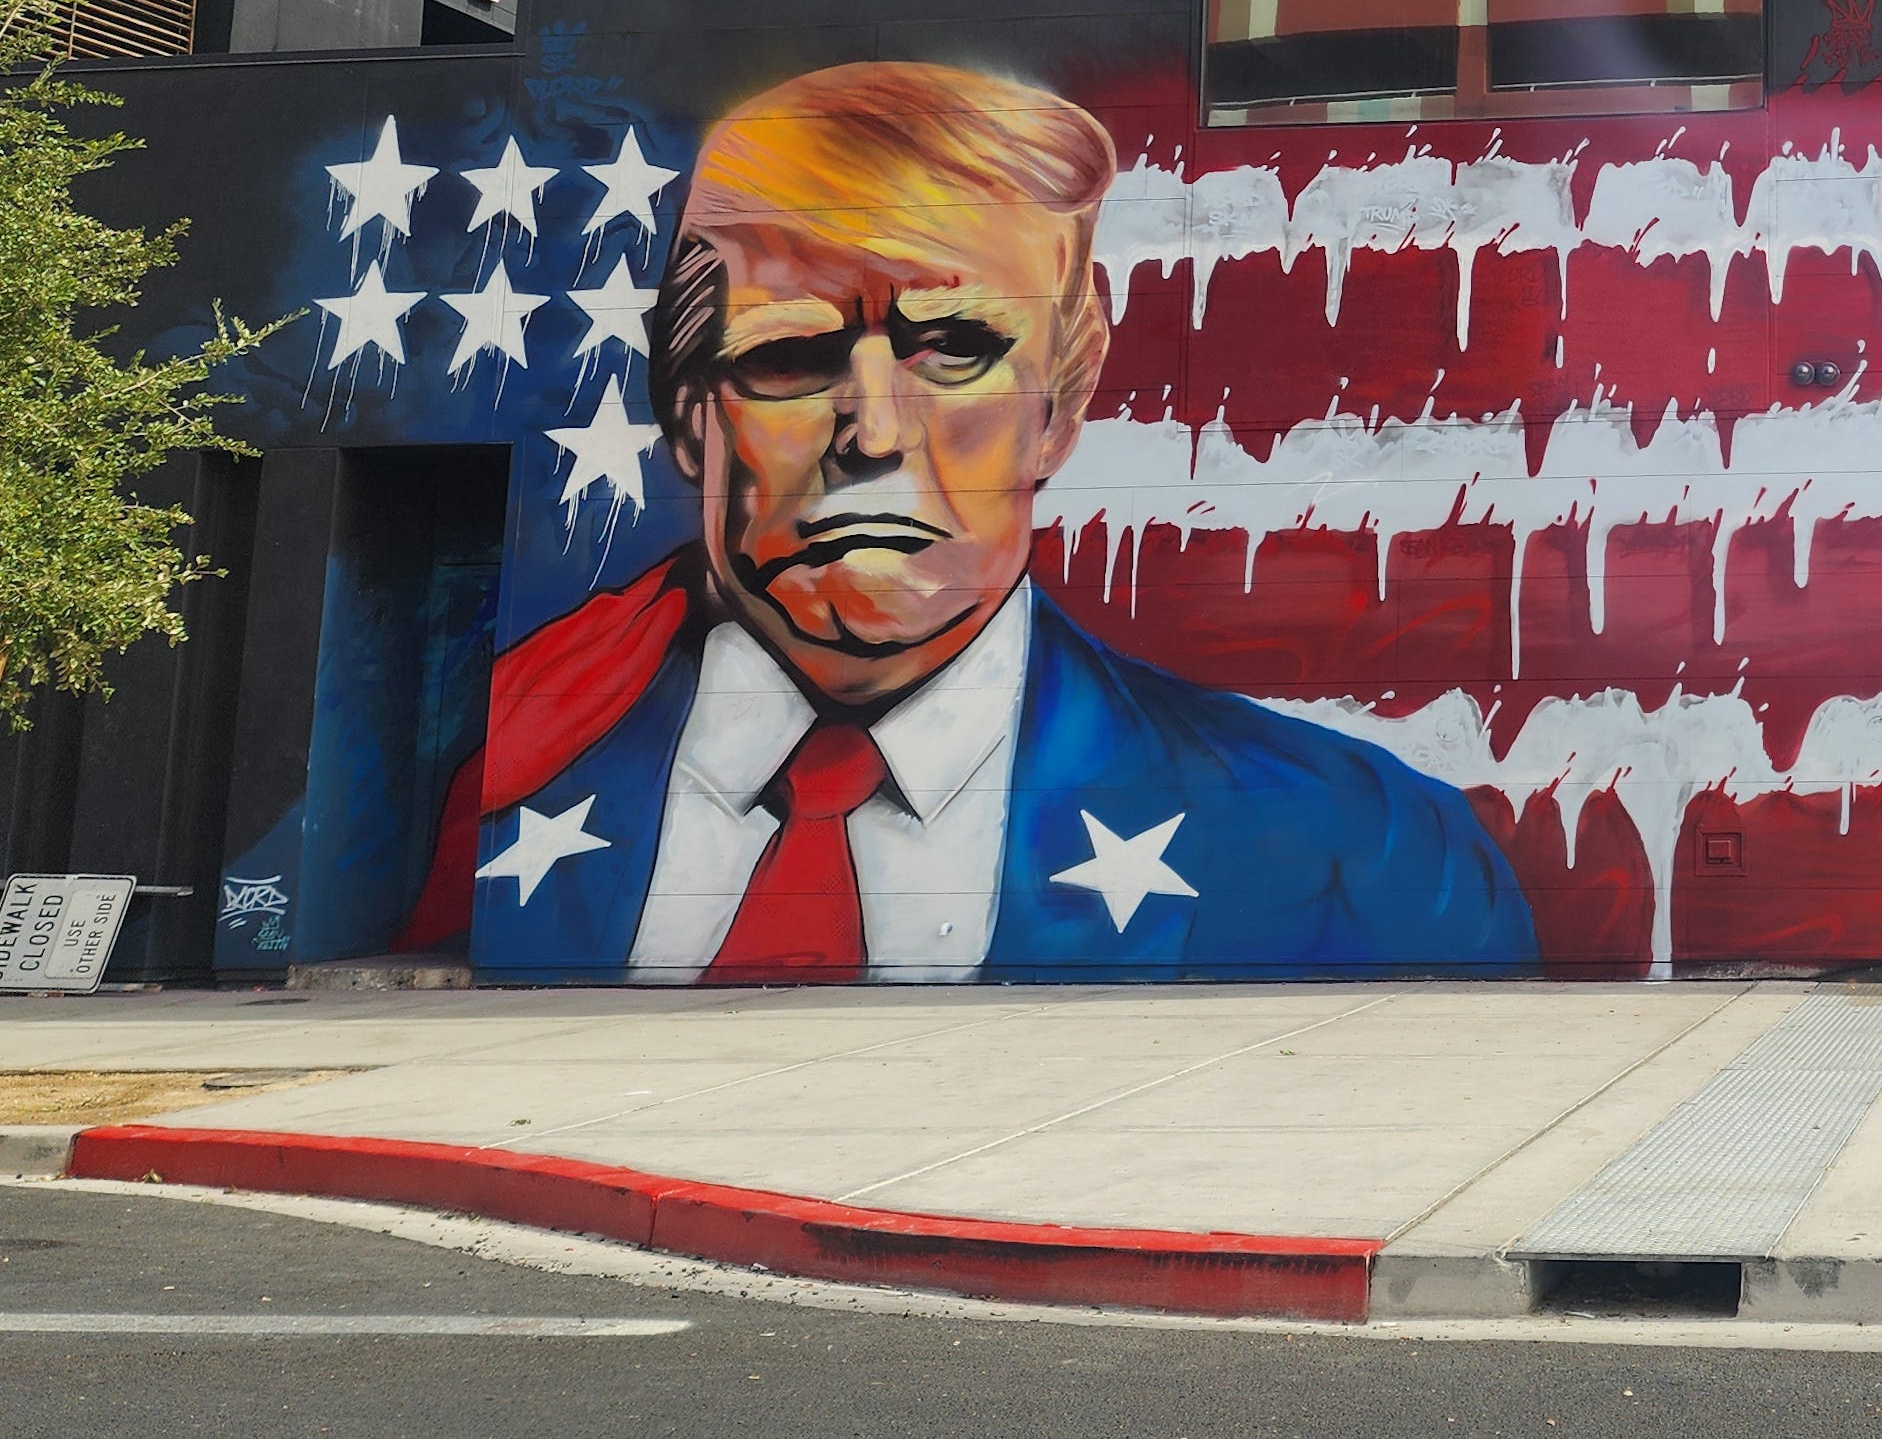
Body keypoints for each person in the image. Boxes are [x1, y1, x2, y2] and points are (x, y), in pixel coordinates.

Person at [411, 61, 1533, 981]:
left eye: (955, 346)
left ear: (1063, 405)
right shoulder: (513, 787)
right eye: (787, 354)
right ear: (691, 416)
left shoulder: (1369, 857)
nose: (874, 430)